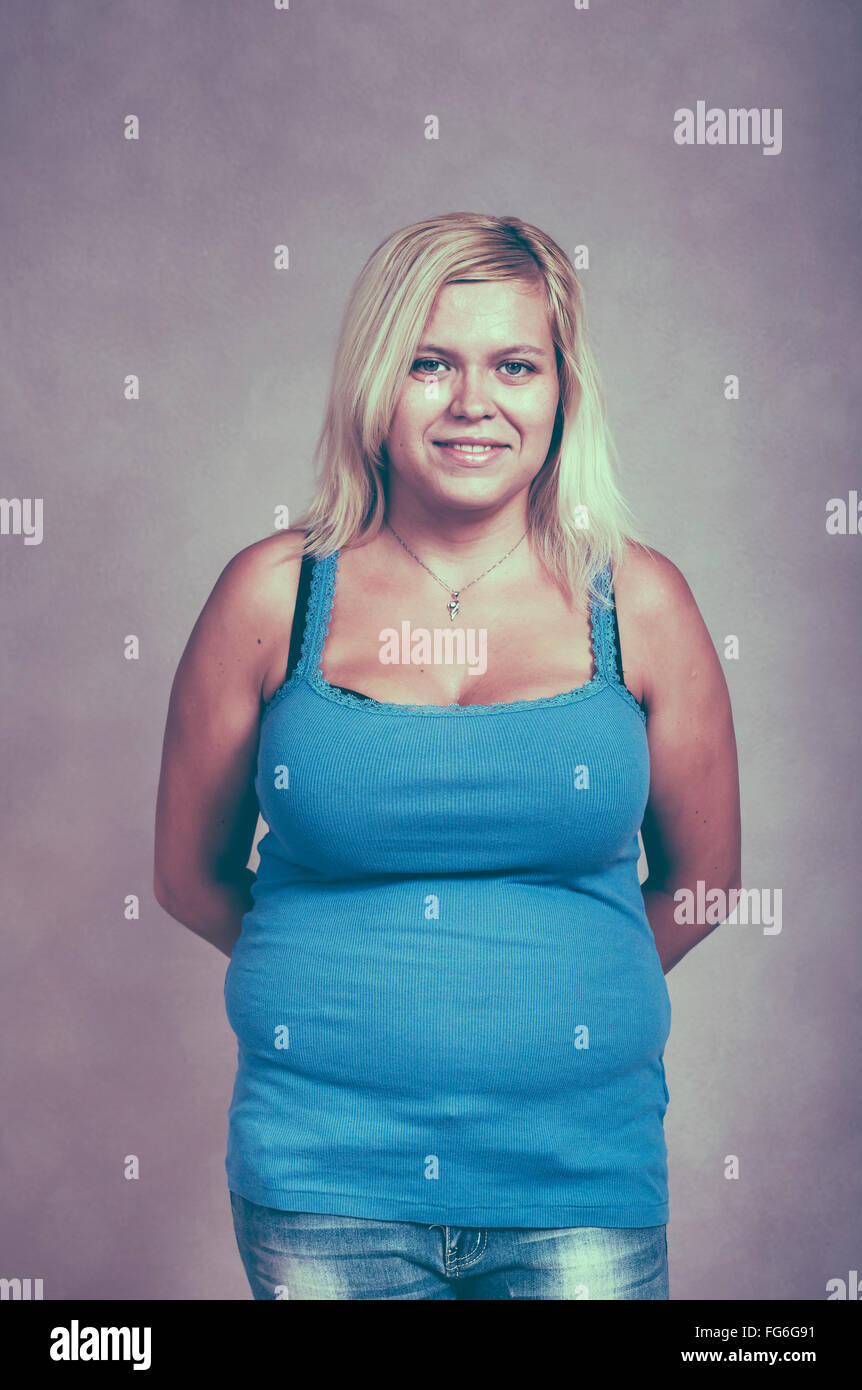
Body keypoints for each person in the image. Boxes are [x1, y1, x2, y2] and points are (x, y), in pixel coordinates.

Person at [153, 212, 741, 1300]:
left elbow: (704, 885)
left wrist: (549, 1004)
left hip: (579, 1179)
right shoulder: (271, 594)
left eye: (513, 365)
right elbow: (188, 876)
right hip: (324, 1178)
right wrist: (330, 988)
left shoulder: (641, 600)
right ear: (376, 384)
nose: (473, 402)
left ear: (560, 390)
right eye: (430, 363)